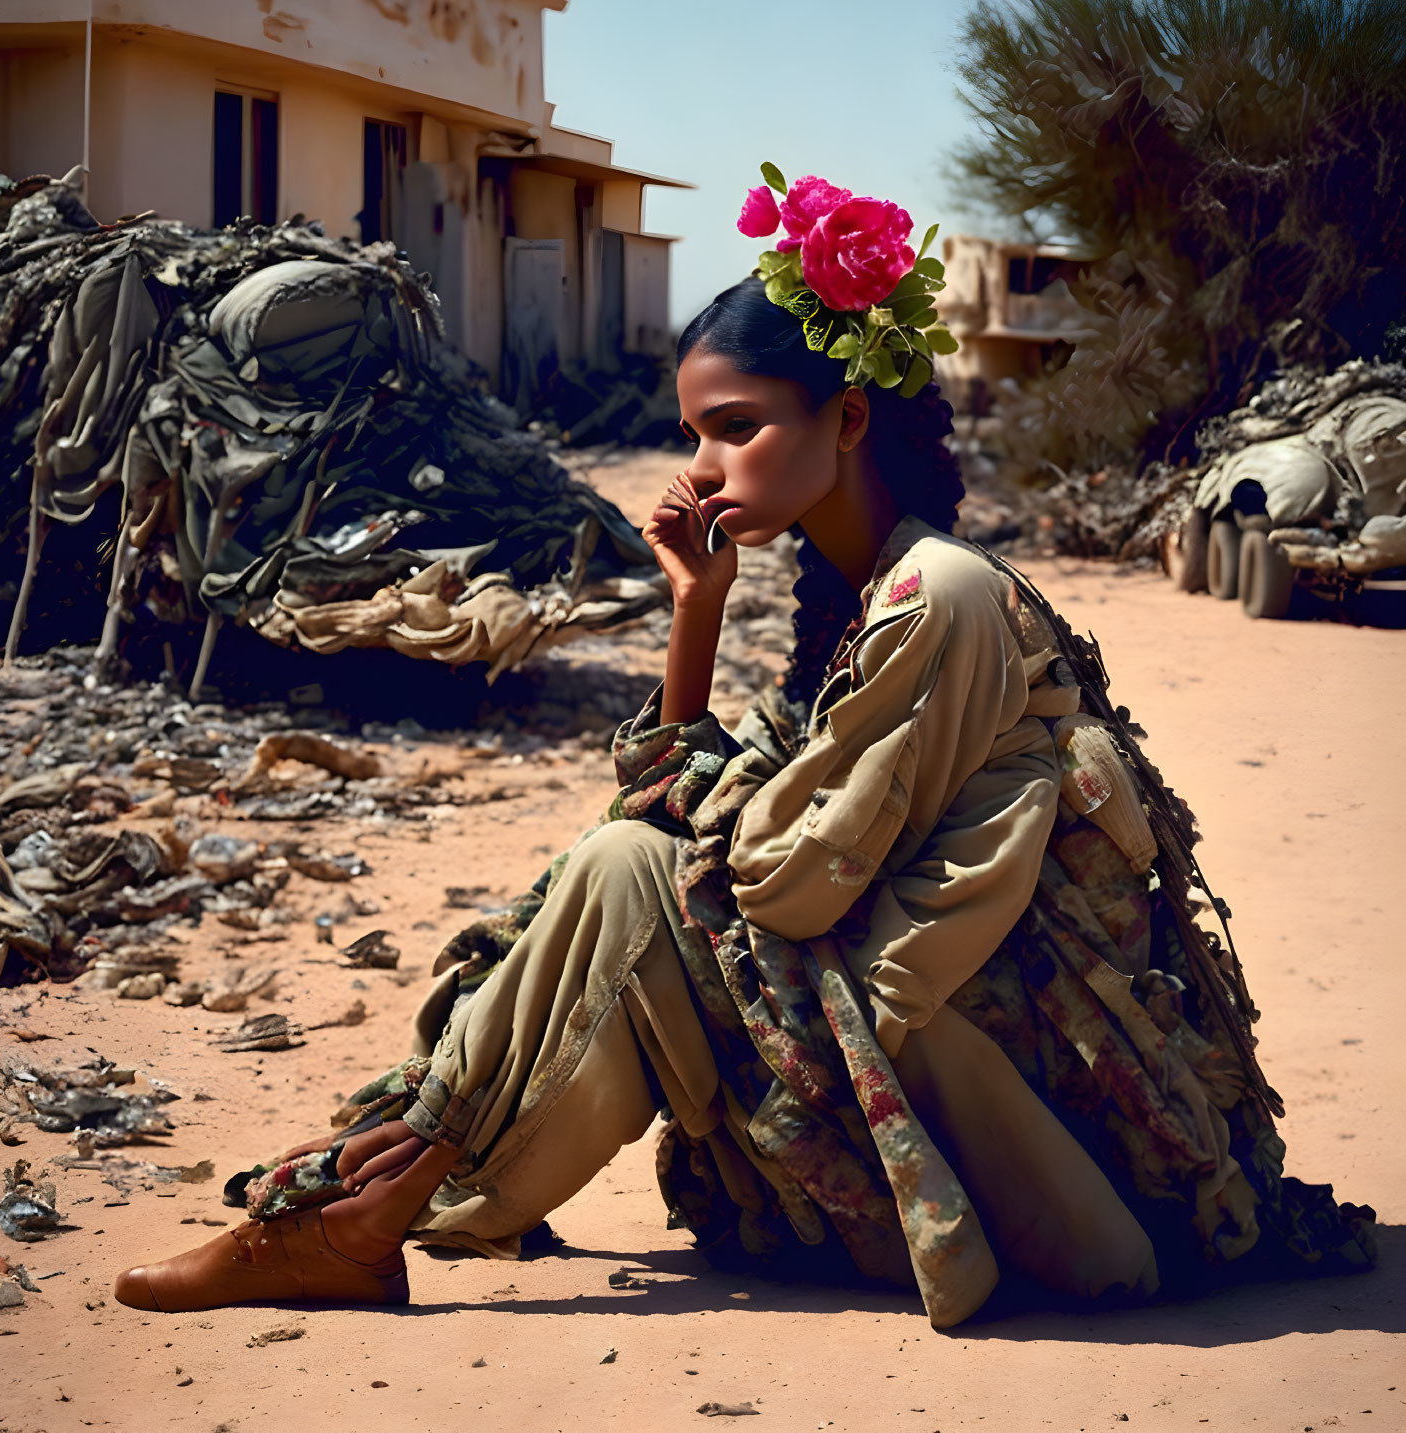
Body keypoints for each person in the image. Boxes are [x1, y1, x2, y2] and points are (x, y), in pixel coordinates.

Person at [114, 172, 1375, 1328]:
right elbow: (729, 822)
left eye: (736, 428)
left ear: (849, 417)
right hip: (932, 1032)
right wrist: (697, 610)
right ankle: (362, 1208)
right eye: (692, 436)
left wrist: (688, 822)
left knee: (624, 874)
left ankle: (356, 1213)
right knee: (630, 865)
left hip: (1032, 1109)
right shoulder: (861, 594)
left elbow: (783, 879)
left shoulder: (938, 597)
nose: (702, 471)